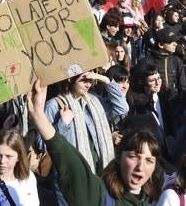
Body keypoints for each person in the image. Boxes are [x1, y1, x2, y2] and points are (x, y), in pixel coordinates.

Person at [27, 78, 165, 206]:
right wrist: (45, 118)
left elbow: (122, 107)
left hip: (99, 168)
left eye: (149, 160)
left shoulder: (94, 102)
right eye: (134, 157)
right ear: (119, 157)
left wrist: (105, 79)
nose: (140, 167)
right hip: (80, 179)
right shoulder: (100, 196)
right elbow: (59, 153)